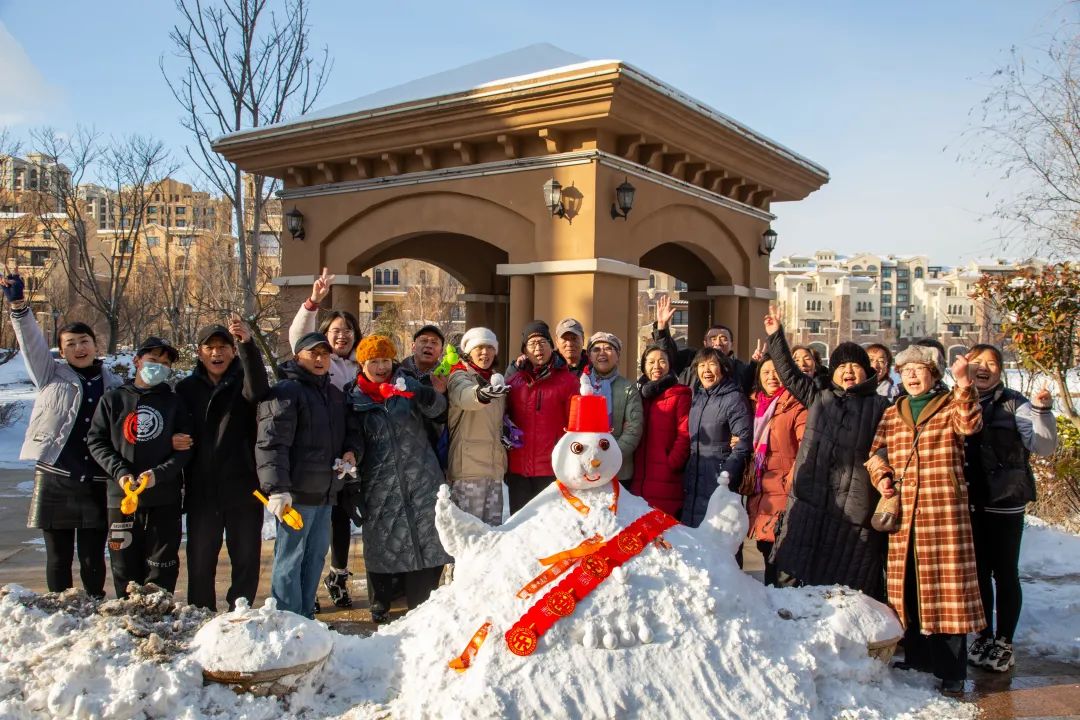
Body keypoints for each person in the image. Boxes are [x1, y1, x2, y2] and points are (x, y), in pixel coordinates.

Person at [865, 346, 985, 694]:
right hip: (904, 512)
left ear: (934, 373)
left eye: (920, 369)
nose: (912, 376)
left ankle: (952, 672)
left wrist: (963, 384)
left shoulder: (951, 404)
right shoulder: (893, 411)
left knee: (948, 590)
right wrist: (882, 476)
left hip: (942, 510)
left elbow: (970, 424)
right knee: (909, 587)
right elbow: (876, 453)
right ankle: (918, 657)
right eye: (906, 370)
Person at [4, 271, 122, 597]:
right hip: (55, 476)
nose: (78, 348)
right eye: (70, 344)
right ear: (61, 350)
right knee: (58, 556)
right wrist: (18, 307)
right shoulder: (49, 375)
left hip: (97, 480)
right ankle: (59, 607)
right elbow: (30, 342)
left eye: (84, 342)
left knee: (92, 556)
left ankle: (94, 606)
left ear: (96, 345)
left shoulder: (115, 387)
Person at [763, 306, 890, 596]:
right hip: (810, 496)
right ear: (833, 372)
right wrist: (776, 336)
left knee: (850, 572)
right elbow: (790, 375)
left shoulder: (880, 407)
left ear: (866, 372)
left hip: (855, 502)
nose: (848, 371)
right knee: (795, 563)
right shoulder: (819, 397)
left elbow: (889, 447)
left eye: (854, 366)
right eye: (842, 366)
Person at [963, 344, 1057, 673]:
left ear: (1000, 371)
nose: (984, 368)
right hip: (970, 502)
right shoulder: (957, 400)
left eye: (991, 363)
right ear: (965, 367)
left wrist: (1042, 410)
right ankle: (983, 634)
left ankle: (1004, 640)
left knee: (1004, 573)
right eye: (977, 362)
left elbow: (1043, 445)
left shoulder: (1016, 403)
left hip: (1005, 503)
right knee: (977, 574)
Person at [346, 335, 452, 621]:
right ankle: (382, 602)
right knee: (384, 542)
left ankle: (424, 599)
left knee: (428, 537)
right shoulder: (353, 398)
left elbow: (439, 413)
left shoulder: (407, 385)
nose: (381, 367)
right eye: (373, 361)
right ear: (362, 364)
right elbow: (352, 438)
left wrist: (424, 393)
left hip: (421, 476)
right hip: (379, 482)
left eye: (385, 360)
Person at [256, 332, 352, 618]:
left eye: (325, 354)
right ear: (298, 356)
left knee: (314, 558)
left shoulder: (334, 394)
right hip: (295, 496)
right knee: (290, 559)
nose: (321, 359)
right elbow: (271, 442)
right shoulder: (286, 392)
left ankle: (305, 617)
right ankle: (287, 619)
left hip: (325, 493)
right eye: (314, 353)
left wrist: (350, 454)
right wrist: (276, 488)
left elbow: (348, 434)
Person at [175, 318, 270, 610]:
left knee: (246, 557)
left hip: (243, 487)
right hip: (202, 488)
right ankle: (200, 612)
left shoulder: (244, 381)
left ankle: (239, 610)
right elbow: (174, 425)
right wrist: (173, 439)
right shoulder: (186, 388)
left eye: (223, 348)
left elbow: (259, 392)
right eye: (209, 348)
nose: (216, 354)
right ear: (200, 353)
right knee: (201, 559)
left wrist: (248, 345)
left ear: (232, 351)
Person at [87, 337, 192, 599]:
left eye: (165, 364)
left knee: (162, 563)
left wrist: (158, 474)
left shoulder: (175, 403)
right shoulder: (113, 400)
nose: (159, 367)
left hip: (164, 497)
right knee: (123, 564)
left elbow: (186, 448)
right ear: (137, 361)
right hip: (122, 498)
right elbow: (97, 441)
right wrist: (121, 474)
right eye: (153, 361)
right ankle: (128, 612)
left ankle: (159, 614)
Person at [288, 267, 362, 609]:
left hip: (348, 447)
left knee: (340, 516)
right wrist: (313, 302)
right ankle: (309, 585)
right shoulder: (317, 361)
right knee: (313, 520)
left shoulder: (359, 367)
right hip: (316, 449)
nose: (342, 336)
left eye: (348, 331)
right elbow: (297, 336)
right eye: (335, 330)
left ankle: (338, 575)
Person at [743, 354, 807, 587]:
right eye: (766, 372)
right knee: (766, 551)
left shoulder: (795, 404)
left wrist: (791, 480)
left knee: (783, 557)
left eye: (776, 371)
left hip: (783, 488)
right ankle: (774, 609)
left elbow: (805, 447)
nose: (772, 377)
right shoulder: (754, 404)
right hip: (760, 491)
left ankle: (785, 610)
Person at [505, 321, 579, 513]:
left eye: (542, 342)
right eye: (532, 344)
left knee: (550, 527)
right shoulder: (514, 382)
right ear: (524, 351)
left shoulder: (569, 381)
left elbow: (575, 427)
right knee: (519, 525)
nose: (538, 348)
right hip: (518, 470)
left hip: (552, 469)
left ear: (551, 346)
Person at [446, 327, 510, 525]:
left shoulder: (496, 379)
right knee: (470, 534)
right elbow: (465, 396)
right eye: (479, 347)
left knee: (492, 535)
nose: (485, 352)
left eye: (490, 348)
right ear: (468, 351)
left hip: (494, 469)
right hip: (468, 471)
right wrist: (480, 395)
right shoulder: (459, 376)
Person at [682, 347, 751, 528]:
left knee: (720, 536)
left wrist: (726, 472)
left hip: (719, 478)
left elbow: (743, 440)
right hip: (694, 476)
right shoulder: (697, 397)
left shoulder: (734, 398)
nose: (706, 370)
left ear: (724, 368)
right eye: (702, 365)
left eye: (712, 364)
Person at [629, 344, 691, 517]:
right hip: (639, 477)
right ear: (643, 366)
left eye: (662, 361)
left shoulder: (680, 394)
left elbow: (684, 432)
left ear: (670, 365)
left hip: (666, 477)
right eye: (651, 362)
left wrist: (672, 462)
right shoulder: (638, 394)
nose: (656, 367)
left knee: (666, 534)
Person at [586, 332, 643, 484]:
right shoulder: (581, 384)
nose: (602, 353)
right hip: (584, 466)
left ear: (618, 356)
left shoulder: (628, 388)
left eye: (609, 348)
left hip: (618, 467)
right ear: (590, 356)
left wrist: (609, 455)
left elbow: (634, 428)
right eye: (596, 349)